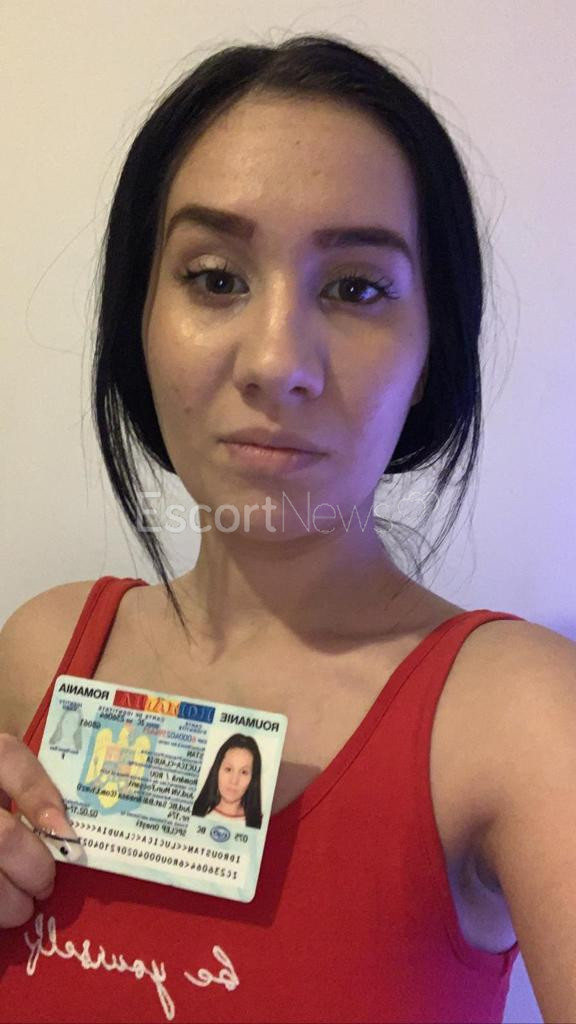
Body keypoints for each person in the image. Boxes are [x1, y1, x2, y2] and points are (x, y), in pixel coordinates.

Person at [1, 31, 575, 1024]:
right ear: (139, 319)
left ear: (431, 350)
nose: (276, 362)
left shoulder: (522, 719)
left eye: (356, 288)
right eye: (215, 277)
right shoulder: (43, 649)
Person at [192, 734, 263, 828]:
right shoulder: (193, 812)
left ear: (253, 778)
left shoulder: (261, 824)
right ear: (217, 770)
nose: (234, 781)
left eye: (244, 772)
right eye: (228, 769)